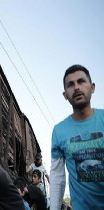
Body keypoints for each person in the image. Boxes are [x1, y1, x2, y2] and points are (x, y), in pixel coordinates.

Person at [50, 64, 104, 210]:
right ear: (65, 94)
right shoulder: (58, 131)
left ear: (92, 87)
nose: (76, 87)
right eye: (70, 84)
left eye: (81, 81)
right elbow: (57, 176)